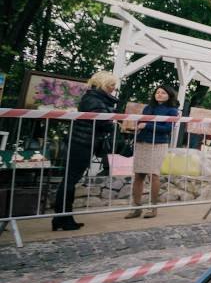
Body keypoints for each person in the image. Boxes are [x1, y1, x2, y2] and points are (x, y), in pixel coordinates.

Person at [52, 71, 119, 231]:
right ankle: (63, 218)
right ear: (103, 84)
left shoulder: (93, 98)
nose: (113, 88)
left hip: (81, 142)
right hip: (82, 144)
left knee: (69, 180)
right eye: (111, 85)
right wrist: (114, 122)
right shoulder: (94, 100)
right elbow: (104, 122)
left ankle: (62, 218)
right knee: (70, 181)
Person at [125, 84, 179, 219]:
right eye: (157, 92)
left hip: (158, 144)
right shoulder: (148, 108)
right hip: (142, 142)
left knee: (154, 175)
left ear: (169, 95)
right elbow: (141, 123)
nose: (159, 94)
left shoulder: (172, 111)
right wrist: (135, 126)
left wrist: (147, 125)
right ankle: (136, 207)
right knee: (138, 175)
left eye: (163, 93)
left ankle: (153, 208)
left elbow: (167, 129)